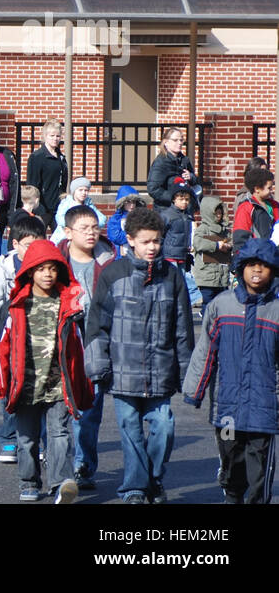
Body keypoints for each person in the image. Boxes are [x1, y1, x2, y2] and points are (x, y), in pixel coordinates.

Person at [85, 206, 194, 504]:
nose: (152, 247)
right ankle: (134, 488)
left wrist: (188, 373)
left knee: (164, 427)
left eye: (156, 241)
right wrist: (98, 364)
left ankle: (154, 478)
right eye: (146, 241)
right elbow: (97, 324)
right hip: (122, 371)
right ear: (130, 240)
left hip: (160, 370)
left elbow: (183, 328)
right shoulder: (113, 274)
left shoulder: (172, 277)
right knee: (130, 431)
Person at [0, 239, 91, 503]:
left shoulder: (69, 305)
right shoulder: (16, 305)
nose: (48, 274)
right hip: (25, 384)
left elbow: (81, 346)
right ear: (29, 271)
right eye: (41, 268)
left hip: (58, 384)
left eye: (53, 268)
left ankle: (60, 484)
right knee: (27, 439)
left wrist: (85, 381)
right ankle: (29, 482)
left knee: (59, 435)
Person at [184, 238, 279, 504]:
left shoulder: (276, 311)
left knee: (260, 464)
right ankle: (233, 494)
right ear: (240, 268)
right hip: (227, 405)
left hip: (264, 405)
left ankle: (256, 499)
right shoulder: (222, 306)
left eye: (263, 265)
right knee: (231, 455)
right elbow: (206, 351)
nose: (257, 271)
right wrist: (195, 390)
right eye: (250, 265)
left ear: (274, 270)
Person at [0, 215, 47, 465]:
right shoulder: (2, 272)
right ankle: (9, 439)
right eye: (29, 244)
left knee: (42, 393)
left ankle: (39, 441)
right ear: (15, 244)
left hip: (39, 343)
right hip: (8, 342)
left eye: (40, 243)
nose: (34, 250)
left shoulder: (47, 269)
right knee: (10, 393)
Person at [56, 204, 116, 492]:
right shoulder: (55, 262)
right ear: (68, 232)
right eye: (85, 228)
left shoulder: (108, 260)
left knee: (90, 411)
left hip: (96, 343)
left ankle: (83, 466)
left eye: (95, 227)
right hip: (64, 344)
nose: (92, 233)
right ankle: (57, 463)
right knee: (57, 410)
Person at [161, 183, 204, 307]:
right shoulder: (167, 215)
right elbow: (160, 235)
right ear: (174, 199)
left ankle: (192, 299)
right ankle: (187, 299)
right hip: (169, 254)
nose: (184, 202)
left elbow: (188, 234)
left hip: (182, 254)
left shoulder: (187, 216)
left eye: (186, 199)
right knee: (173, 279)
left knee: (185, 277)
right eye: (181, 199)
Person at [26, 120, 69, 232]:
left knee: (61, 240)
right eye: (52, 136)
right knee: (37, 238)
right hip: (42, 207)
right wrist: (37, 206)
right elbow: (32, 184)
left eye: (58, 136)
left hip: (57, 207)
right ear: (45, 136)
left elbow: (63, 182)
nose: (55, 139)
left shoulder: (61, 157)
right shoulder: (37, 157)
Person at [192, 196, 232, 311]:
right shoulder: (203, 229)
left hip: (222, 275)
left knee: (222, 304)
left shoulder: (224, 230)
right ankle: (207, 324)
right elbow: (197, 243)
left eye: (220, 213)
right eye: (216, 213)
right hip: (207, 275)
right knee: (208, 304)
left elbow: (231, 240)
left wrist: (228, 246)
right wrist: (215, 245)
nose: (218, 216)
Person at [147, 127, 200, 210]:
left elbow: (196, 181)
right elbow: (153, 189)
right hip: (166, 210)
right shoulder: (161, 162)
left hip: (185, 210)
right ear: (166, 142)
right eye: (175, 140)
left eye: (181, 140)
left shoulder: (184, 160)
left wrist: (191, 177)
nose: (179, 143)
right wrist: (173, 199)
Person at [232, 166, 279, 252]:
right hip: (256, 257)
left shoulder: (275, 206)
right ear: (257, 189)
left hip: (274, 256)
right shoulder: (246, 208)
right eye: (269, 188)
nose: (272, 191)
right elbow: (240, 237)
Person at [49, 177, 106, 242]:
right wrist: (76, 226)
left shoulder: (89, 205)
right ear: (74, 191)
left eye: (86, 190)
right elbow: (59, 218)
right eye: (80, 190)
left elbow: (102, 219)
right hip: (63, 238)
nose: (83, 193)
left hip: (83, 238)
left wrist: (88, 225)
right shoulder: (66, 203)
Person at [106, 185, 145, 258]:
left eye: (134, 202)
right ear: (122, 203)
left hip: (137, 255)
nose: (132, 205)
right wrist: (134, 233)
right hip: (119, 256)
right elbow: (115, 237)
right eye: (128, 202)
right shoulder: (115, 219)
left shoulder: (141, 217)